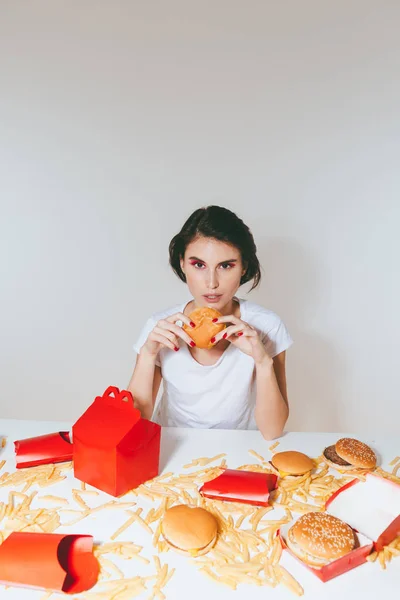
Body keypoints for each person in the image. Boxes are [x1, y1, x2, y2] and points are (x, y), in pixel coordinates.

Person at [128, 206, 293, 440]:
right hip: (170, 450)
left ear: (244, 266)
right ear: (182, 263)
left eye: (226, 266)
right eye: (199, 265)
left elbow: (273, 430)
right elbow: (135, 425)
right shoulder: (160, 326)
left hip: (241, 452)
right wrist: (147, 355)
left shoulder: (267, 325)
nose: (212, 282)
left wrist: (263, 361)